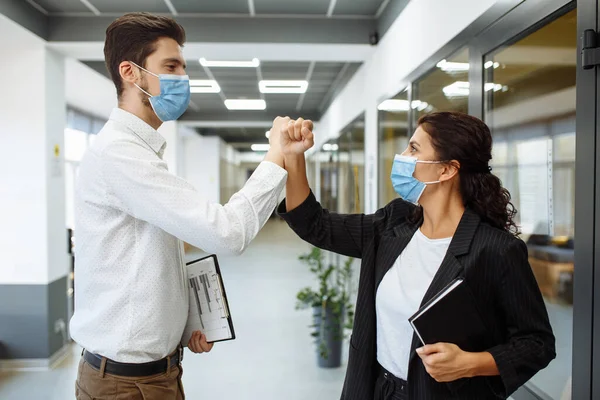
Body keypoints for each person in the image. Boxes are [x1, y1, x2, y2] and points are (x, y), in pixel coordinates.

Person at [70, 12, 306, 400]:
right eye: (171, 66)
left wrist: (181, 325)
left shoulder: (140, 151)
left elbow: (140, 261)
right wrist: (275, 155)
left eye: (183, 66)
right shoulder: (120, 155)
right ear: (130, 72)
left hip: (153, 373)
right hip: (126, 386)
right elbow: (228, 233)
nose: (183, 78)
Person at [277, 112, 556, 399]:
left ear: (446, 170)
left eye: (413, 149)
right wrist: (294, 156)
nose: (402, 156)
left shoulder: (496, 249)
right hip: (376, 388)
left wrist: (470, 364)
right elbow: (315, 225)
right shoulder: (395, 222)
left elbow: (537, 343)